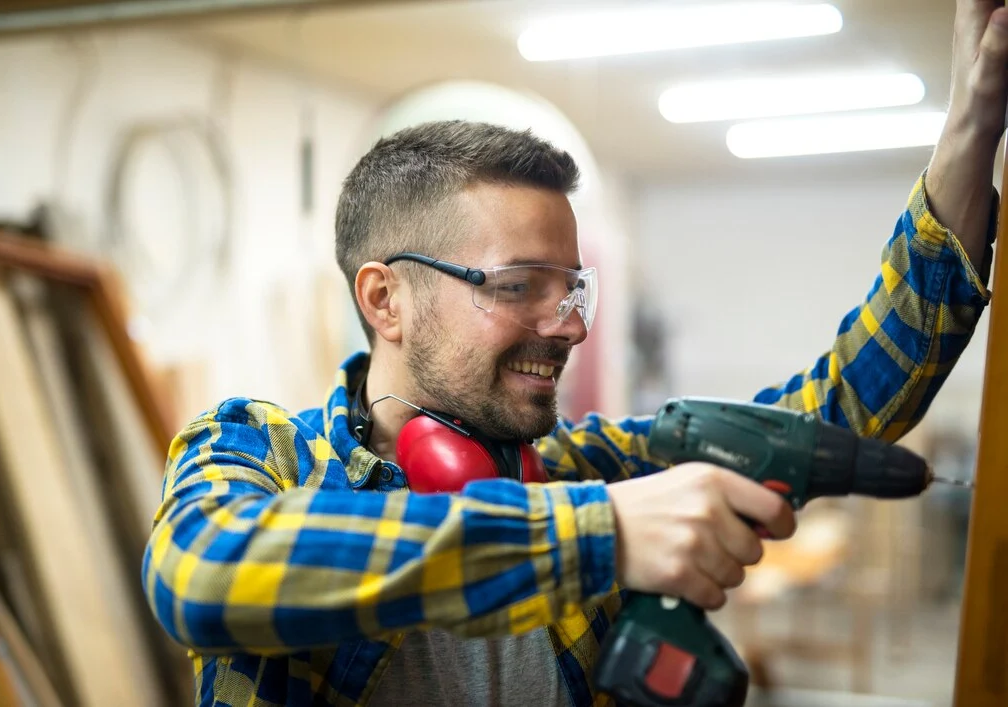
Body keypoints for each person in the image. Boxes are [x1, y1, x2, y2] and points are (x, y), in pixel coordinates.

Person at [142, 1, 1005, 704]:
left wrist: (971, 123)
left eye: (572, 287)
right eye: (519, 285)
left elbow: (838, 407)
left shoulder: (573, 465)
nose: (571, 325)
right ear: (385, 298)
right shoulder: (261, 450)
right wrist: (601, 535)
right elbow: (205, 572)